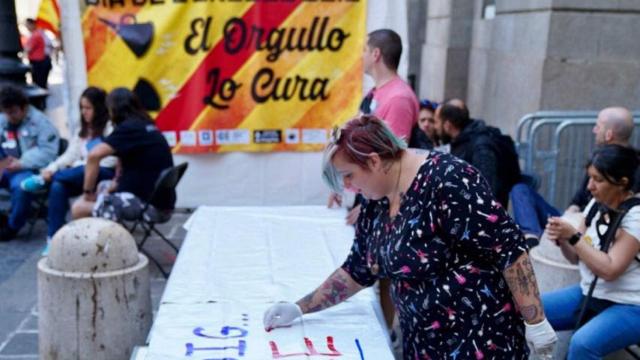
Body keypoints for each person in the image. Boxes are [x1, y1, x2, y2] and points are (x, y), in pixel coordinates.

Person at [264, 115, 557, 359]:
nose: (348, 186)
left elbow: (509, 250)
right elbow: (358, 269)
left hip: (478, 340)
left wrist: (536, 321)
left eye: (349, 175)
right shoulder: (377, 199)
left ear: (375, 161)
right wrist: (301, 307)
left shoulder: (449, 181)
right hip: (423, 342)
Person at [543, 144, 640, 359]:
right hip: (591, 294)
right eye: (589, 178)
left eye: (598, 180)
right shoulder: (595, 205)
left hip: (630, 304)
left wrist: (574, 237)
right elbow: (576, 257)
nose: (589, 186)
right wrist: (564, 238)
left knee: (583, 344)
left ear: (622, 182)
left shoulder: (636, 215)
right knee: (525, 310)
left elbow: (610, 269)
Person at [510, 106, 637, 246]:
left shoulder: (631, 170)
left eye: (597, 126)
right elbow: (578, 200)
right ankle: (532, 239)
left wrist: (575, 228)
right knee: (520, 190)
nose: (594, 130)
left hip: (592, 226)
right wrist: (566, 219)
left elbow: (611, 267)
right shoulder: (598, 158)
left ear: (608, 134)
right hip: (577, 221)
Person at [21, 87, 116, 250]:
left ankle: (43, 179)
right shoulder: (83, 130)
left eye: (88, 108)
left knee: (74, 172)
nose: (84, 112)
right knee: (58, 187)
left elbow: (109, 161)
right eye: (82, 108)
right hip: (79, 175)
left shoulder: (110, 128)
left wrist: (80, 165)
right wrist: (52, 168)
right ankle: (54, 239)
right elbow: (68, 156)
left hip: (103, 173)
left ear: (99, 108)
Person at [72, 88, 174, 223]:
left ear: (114, 109)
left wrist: (87, 193)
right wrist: (115, 184)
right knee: (103, 186)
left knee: (78, 208)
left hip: (150, 207)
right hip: (161, 202)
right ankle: (114, 235)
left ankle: (112, 240)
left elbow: (93, 156)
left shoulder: (129, 129)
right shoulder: (145, 125)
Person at [434, 99, 520, 207]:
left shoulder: (481, 147)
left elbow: (486, 193)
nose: (435, 127)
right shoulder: (459, 143)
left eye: (436, 122)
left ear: (447, 125)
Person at [0, 84, 59, 241]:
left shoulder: (41, 122)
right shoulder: (3, 120)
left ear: (24, 107)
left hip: (28, 169)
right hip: (5, 167)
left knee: (22, 186)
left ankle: (12, 226)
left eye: (13, 112)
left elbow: (48, 152)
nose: (9, 116)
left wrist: (22, 163)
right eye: (6, 112)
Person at [24, 18, 53, 90]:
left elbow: (28, 49)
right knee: (41, 84)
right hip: (40, 63)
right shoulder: (38, 33)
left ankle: (41, 101)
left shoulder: (36, 35)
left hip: (39, 64)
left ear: (32, 24)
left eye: (27, 25)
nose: (26, 27)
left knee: (39, 85)